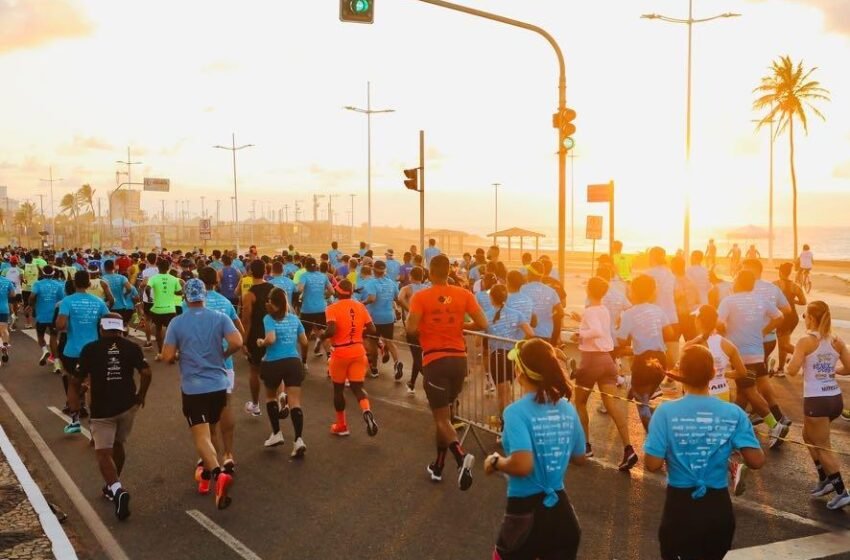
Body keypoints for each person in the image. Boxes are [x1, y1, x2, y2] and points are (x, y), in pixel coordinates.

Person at [645, 345, 765, 560]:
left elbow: (652, 464)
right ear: (712, 373)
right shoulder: (734, 413)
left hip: (680, 508)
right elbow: (756, 460)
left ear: (681, 374)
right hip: (718, 509)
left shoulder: (664, 412)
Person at [484, 338, 586, 560]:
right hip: (562, 514)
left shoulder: (515, 412)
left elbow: (522, 464)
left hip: (525, 513)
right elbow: (579, 456)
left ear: (520, 372)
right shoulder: (567, 408)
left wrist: (495, 461)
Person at [407, 254, 487, 490]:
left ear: (430, 273)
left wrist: (424, 327)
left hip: (435, 360)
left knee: (441, 419)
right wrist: (462, 326)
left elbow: (411, 329)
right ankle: (438, 466)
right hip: (458, 361)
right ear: (448, 272)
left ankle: (461, 458)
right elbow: (483, 323)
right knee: (445, 418)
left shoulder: (421, 297)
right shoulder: (464, 294)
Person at [161, 279, 243, 510]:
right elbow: (237, 341)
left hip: (194, 388)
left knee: (201, 437)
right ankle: (206, 478)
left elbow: (167, 356)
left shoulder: (177, 322)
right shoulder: (219, 317)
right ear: (204, 296)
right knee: (212, 430)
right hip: (218, 384)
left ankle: (218, 474)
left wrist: (178, 356)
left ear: (186, 298)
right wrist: (223, 353)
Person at [79, 314, 151, 521]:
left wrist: (76, 400)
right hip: (128, 406)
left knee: (103, 453)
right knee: (118, 444)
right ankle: (112, 485)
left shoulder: (90, 349)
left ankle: (118, 490)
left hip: (102, 411)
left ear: (101, 329)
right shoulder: (132, 347)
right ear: (121, 329)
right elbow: (146, 373)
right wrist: (141, 396)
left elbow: (77, 378)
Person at [786, 300, 850, 510]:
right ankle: (825, 479)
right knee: (807, 435)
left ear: (811, 318)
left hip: (817, 401)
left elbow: (793, 370)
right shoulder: (836, 340)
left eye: (805, 316)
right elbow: (848, 367)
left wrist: (787, 365)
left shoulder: (805, 341)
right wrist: (833, 372)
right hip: (834, 399)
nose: (804, 320)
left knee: (823, 447)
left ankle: (842, 492)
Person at [571, 277, 637, 469]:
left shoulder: (590, 310)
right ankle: (629, 449)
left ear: (589, 291)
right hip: (607, 361)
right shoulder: (603, 310)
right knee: (612, 406)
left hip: (591, 360)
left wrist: (580, 334)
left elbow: (596, 331)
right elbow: (597, 326)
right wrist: (580, 320)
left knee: (580, 402)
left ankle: (586, 446)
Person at [717, 270, 788, 448]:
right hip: (757, 351)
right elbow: (780, 316)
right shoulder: (760, 299)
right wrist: (763, 331)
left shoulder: (728, 301)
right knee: (743, 393)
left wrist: (725, 333)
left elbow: (718, 323)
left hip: (739, 355)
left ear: (738, 282)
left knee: (750, 392)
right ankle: (733, 429)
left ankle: (775, 425)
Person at [188, 266, 245, 475]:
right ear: (216, 282)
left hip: (200, 364)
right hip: (225, 363)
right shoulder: (225, 302)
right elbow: (240, 331)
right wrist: (227, 352)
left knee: (204, 410)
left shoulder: (191, 305)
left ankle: (209, 454)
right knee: (225, 404)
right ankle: (228, 454)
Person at [320, 280, 379, 437]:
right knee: (358, 388)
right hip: (358, 351)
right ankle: (366, 411)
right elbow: (372, 329)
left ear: (338, 293)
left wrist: (322, 336)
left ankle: (342, 425)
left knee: (338, 390)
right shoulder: (360, 306)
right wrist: (359, 334)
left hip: (340, 353)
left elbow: (331, 330)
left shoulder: (331, 308)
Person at [616, 275, 676, 431]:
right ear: (652, 293)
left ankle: (654, 438)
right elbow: (670, 333)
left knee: (642, 405)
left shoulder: (629, 313)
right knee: (646, 396)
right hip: (660, 360)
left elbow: (621, 340)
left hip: (643, 363)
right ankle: (644, 395)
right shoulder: (658, 310)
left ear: (633, 292)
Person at [256, 287, 309, 455]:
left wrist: (261, 342)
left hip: (273, 363)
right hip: (293, 362)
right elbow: (305, 342)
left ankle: (277, 433)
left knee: (271, 397)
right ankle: (298, 440)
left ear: (272, 303)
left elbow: (270, 339)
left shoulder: (268, 318)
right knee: (295, 402)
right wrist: (304, 361)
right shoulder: (294, 319)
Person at [57, 271, 111, 434]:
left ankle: (75, 421)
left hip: (72, 351)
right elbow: (109, 322)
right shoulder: (99, 301)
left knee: (73, 384)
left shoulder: (67, 301)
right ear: (88, 284)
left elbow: (60, 325)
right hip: (94, 350)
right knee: (93, 385)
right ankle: (95, 424)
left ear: (74, 284)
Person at [484, 285, 534, 433]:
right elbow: (530, 333)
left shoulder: (486, 315)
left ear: (492, 298)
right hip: (512, 356)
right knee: (508, 390)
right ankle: (510, 421)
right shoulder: (516, 313)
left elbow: (477, 341)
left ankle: (505, 426)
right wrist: (517, 341)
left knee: (502, 393)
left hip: (497, 356)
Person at [241, 260, 275, 417]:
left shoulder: (249, 295)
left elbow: (246, 320)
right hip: (273, 333)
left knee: (254, 370)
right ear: (266, 271)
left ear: (250, 273)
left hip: (256, 335)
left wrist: (243, 341)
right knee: (275, 367)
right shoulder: (274, 290)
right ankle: (279, 399)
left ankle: (255, 405)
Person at [362, 260, 402, 380]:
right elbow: (397, 298)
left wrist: (361, 303)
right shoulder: (391, 283)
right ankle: (397, 363)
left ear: (374, 270)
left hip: (374, 318)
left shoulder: (371, 283)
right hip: (388, 317)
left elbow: (372, 298)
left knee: (372, 343)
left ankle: (374, 368)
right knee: (390, 342)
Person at [142, 258, 182, 361]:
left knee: (158, 330)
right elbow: (179, 292)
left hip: (157, 309)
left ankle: (160, 352)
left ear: (158, 268)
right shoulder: (173, 279)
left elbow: (147, 288)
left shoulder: (154, 278)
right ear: (168, 268)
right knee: (171, 332)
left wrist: (149, 297)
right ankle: (173, 353)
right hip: (170, 310)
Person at [645, 247, 679, 365]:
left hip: (652, 317)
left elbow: (645, 296)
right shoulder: (671, 274)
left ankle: (655, 379)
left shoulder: (647, 274)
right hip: (671, 315)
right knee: (672, 351)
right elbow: (677, 294)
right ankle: (671, 379)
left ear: (652, 257)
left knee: (651, 352)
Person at [398, 267, 428, 395]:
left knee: (417, 356)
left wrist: (410, 310)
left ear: (411, 276)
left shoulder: (407, 288)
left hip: (412, 326)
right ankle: (411, 383)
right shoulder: (427, 288)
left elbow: (400, 298)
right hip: (425, 326)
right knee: (418, 354)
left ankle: (431, 382)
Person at [774, 262, 807, 377]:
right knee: (783, 343)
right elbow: (804, 302)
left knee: (783, 345)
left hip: (782, 316)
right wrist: (793, 301)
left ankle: (806, 358)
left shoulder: (775, 285)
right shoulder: (795, 286)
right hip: (793, 317)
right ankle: (781, 368)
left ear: (780, 272)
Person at [29, 265, 65, 368]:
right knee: (53, 338)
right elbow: (62, 300)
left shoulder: (37, 284)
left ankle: (45, 350)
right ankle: (57, 363)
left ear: (43, 273)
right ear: (53, 274)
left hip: (41, 316)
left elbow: (32, 296)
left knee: (40, 336)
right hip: (54, 316)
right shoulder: (58, 285)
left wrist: (30, 305)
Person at [520, 262, 561, 343]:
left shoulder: (522, 289)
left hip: (526, 334)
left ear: (530, 274)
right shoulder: (551, 291)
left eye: (528, 272)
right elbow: (561, 312)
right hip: (545, 333)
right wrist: (548, 317)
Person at [0, 271, 15, 364]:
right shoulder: (7, 281)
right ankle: (5, 347)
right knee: (4, 330)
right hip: (4, 309)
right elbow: (13, 294)